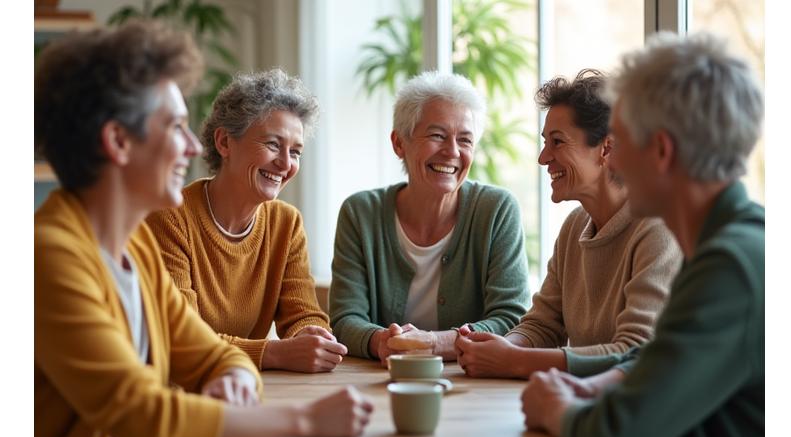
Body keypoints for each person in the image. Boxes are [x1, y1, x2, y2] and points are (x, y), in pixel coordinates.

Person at [35, 21, 372, 437]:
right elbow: (143, 415)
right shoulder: (48, 257)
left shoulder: (131, 246)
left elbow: (212, 353)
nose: (193, 148)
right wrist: (305, 420)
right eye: (175, 127)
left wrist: (232, 375)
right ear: (118, 141)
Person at [521, 32, 764, 437]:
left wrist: (553, 408)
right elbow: (664, 361)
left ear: (662, 150)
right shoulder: (721, 243)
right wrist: (596, 387)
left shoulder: (731, 266)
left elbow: (618, 434)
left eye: (622, 138)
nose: (611, 158)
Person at [455, 70, 681, 379]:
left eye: (557, 142)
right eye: (545, 142)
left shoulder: (658, 228)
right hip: (590, 403)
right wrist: (498, 347)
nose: (543, 157)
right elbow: (543, 326)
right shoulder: (575, 226)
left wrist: (513, 360)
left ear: (607, 149)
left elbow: (635, 352)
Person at [146, 69, 347, 373]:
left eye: (295, 151)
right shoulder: (171, 217)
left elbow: (303, 312)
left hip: (245, 385)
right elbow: (181, 339)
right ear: (225, 142)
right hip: (181, 392)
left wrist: (310, 334)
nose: (285, 163)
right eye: (272, 144)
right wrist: (274, 354)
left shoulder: (286, 223)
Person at [329, 71, 531, 365]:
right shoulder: (361, 213)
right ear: (399, 143)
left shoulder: (497, 210)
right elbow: (346, 318)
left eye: (465, 140)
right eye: (437, 135)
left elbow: (512, 318)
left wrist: (437, 343)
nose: (452, 152)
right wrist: (382, 342)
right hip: (383, 381)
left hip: (473, 383)